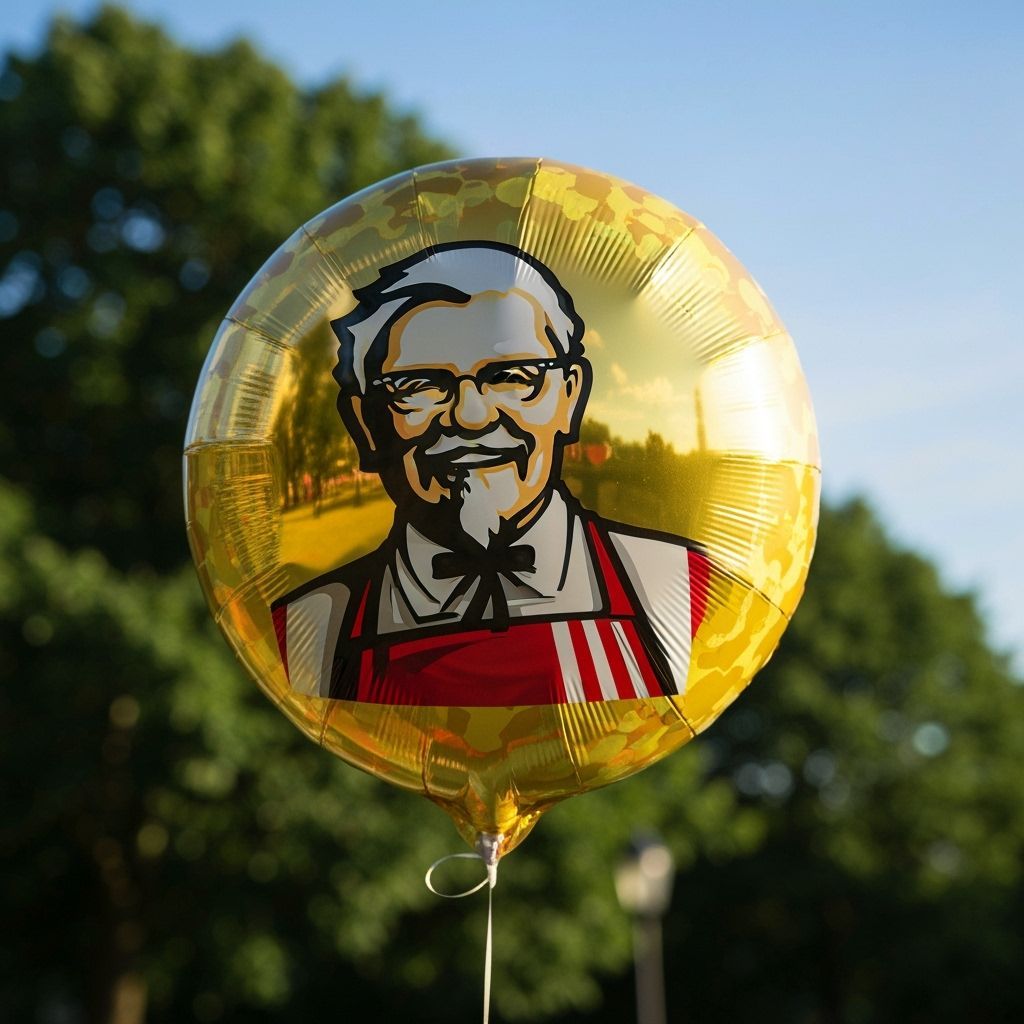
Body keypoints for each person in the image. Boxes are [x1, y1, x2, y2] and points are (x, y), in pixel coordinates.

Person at [271, 241, 710, 705]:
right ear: (366, 423)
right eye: (419, 386)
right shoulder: (311, 628)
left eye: (514, 377)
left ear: (570, 396)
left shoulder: (680, 584)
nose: (471, 415)